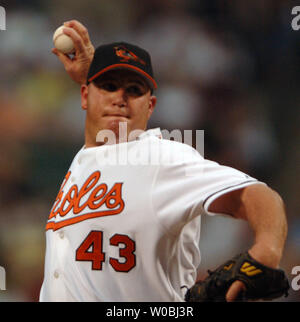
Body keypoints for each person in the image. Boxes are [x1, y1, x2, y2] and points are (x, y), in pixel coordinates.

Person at [39, 20, 288, 302]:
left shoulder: (161, 157)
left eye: (134, 90)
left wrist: (267, 249)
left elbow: (257, 195)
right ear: (84, 95)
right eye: (108, 86)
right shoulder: (85, 159)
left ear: (151, 106)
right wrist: (93, 79)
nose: (120, 98)